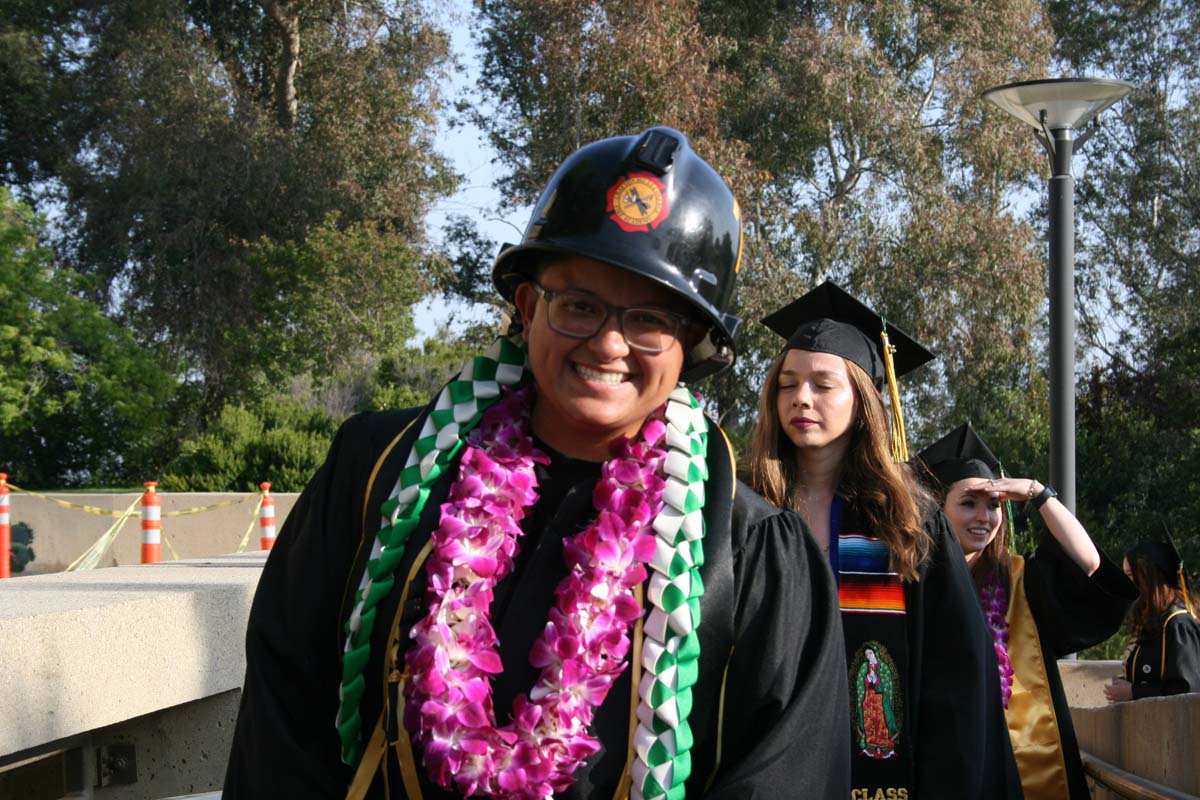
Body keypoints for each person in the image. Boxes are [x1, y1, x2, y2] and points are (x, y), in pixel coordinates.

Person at [223, 127, 850, 800]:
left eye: (648, 321)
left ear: (690, 345)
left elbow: (782, 776)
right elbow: (286, 725)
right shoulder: (384, 476)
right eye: (579, 305)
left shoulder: (745, 550)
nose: (610, 344)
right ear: (527, 308)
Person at [745, 282, 1022, 800]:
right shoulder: (747, 508)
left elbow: (956, 680)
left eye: (823, 385)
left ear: (864, 400)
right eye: (788, 383)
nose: (801, 398)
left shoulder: (907, 520)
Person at [917, 422, 1137, 799]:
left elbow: (1088, 562)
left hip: (1026, 761)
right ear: (937, 508)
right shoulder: (914, 583)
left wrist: (1038, 493)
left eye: (994, 505)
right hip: (942, 762)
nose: (984, 518)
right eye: (968, 503)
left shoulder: (1019, 578)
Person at [1106, 536, 1200, 702]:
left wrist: (1134, 691)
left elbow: (1187, 691)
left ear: (1150, 577)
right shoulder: (1155, 622)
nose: (1127, 583)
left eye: (1131, 575)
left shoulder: (1179, 624)